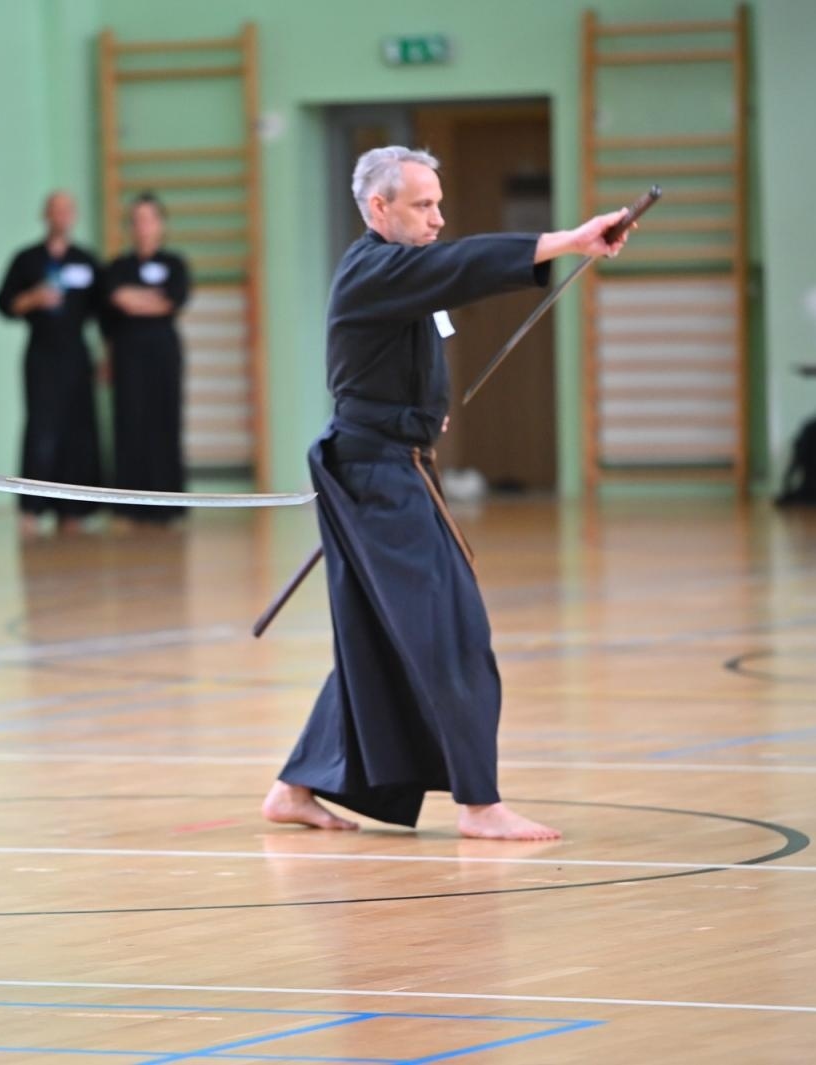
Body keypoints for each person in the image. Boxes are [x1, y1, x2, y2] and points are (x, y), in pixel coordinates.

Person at [261, 146, 630, 841]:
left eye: (438, 203)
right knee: (453, 632)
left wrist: (425, 412)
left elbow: (408, 332)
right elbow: (461, 266)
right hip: (373, 473)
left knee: (382, 638)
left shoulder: (399, 277)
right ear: (379, 208)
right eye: (423, 205)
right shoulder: (375, 269)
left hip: (391, 464)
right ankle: (479, 803)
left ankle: (295, 785)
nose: (438, 218)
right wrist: (573, 239)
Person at [0, 191, 104, 535]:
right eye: (56, 210)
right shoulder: (27, 259)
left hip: (76, 353)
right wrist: (33, 298)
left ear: (74, 216)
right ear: (46, 215)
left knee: (78, 429)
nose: (62, 216)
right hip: (41, 353)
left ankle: (74, 510)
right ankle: (32, 508)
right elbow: (3, 303)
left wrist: (105, 356)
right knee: (41, 428)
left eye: (68, 210)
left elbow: (103, 310)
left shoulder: (85, 260)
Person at [101, 192, 191, 525]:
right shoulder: (118, 267)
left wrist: (138, 298)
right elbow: (117, 301)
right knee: (130, 422)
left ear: (161, 224)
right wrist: (148, 299)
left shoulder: (174, 264)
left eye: (149, 219)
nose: (143, 226)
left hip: (163, 352)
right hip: (127, 353)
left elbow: (171, 302)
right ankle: (128, 505)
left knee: (165, 421)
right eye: (137, 220)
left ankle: (168, 503)